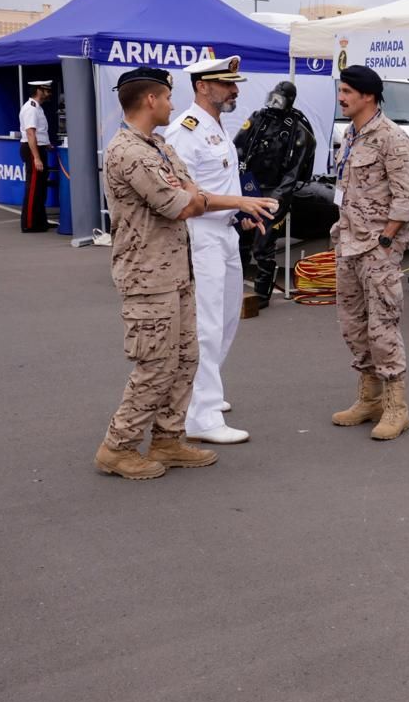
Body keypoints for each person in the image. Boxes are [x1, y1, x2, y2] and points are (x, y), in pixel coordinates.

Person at [94, 66, 276, 481]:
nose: (172, 104)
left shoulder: (157, 145)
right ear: (150, 100)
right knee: (156, 364)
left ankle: (168, 439)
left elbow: (193, 189)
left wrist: (205, 199)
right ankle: (118, 447)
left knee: (185, 356)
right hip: (147, 273)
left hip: (175, 267)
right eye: (166, 97)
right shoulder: (131, 152)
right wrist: (219, 201)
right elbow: (183, 203)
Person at [164, 56, 262, 445]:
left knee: (225, 319)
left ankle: (203, 392)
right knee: (205, 325)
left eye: (234, 83)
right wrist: (239, 203)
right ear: (203, 86)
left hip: (224, 232)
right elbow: (182, 196)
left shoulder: (217, 125)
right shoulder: (184, 132)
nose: (235, 90)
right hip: (200, 235)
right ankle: (200, 416)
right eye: (227, 84)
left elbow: (220, 182)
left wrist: (241, 214)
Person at [329, 65, 409, 440]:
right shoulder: (350, 135)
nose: (341, 98)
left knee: (382, 327)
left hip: (376, 249)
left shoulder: (392, 138)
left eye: (347, 92)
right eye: (341, 91)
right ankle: (370, 398)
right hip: (348, 244)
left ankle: (397, 407)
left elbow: (408, 198)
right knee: (352, 325)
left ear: (368, 95)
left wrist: (386, 240)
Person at [233, 79, 317, 307]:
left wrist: (277, 198)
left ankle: (261, 294)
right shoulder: (257, 119)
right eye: (272, 98)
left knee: (263, 246)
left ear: (289, 101)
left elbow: (293, 172)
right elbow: (237, 148)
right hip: (250, 187)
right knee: (240, 240)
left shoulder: (299, 132)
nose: (274, 103)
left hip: (274, 192)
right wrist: (235, 182)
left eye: (279, 99)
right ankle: (233, 289)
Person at [19, 80, 54, 232]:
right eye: (47, 90)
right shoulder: (31, 109)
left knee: (40, 188)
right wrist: (36, 157)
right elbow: (30, 133)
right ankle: (29, 224)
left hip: (38, 148)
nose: (49, 93)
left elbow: (39, 132)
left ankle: (40, 221)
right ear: (39, 90)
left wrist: (46, 144)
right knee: (33, 188)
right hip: (32, 150)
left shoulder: (37, 108)